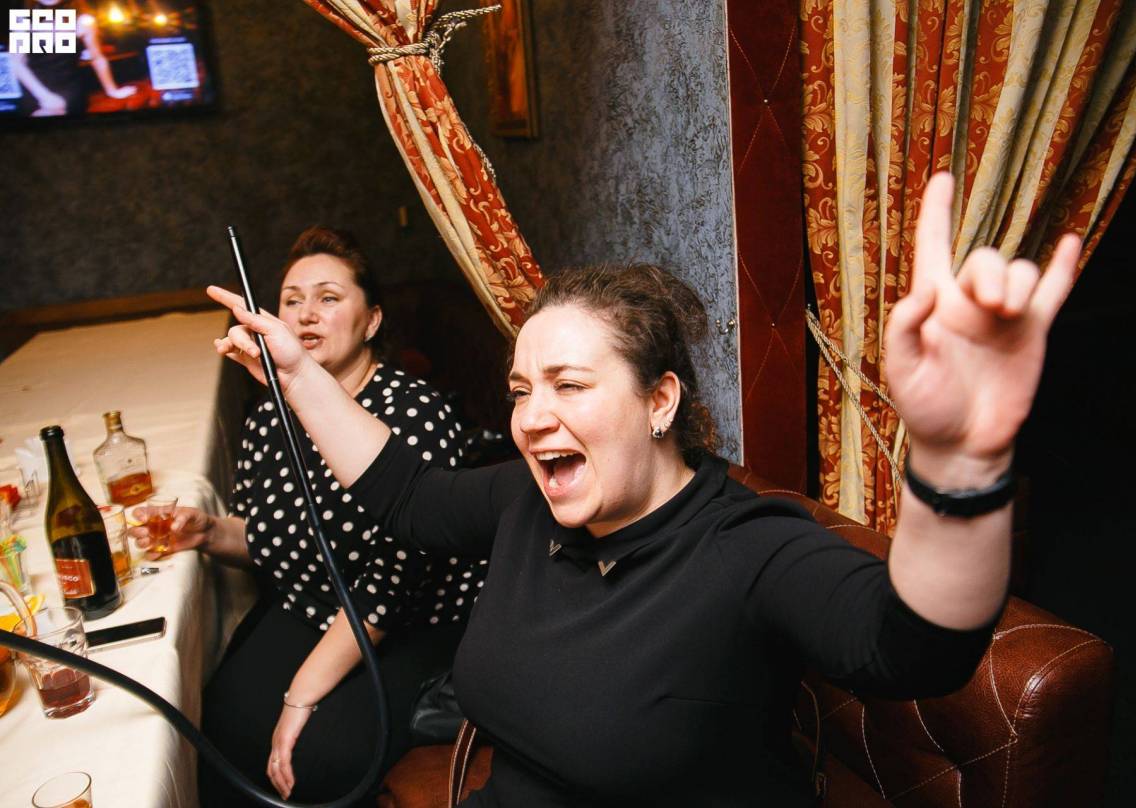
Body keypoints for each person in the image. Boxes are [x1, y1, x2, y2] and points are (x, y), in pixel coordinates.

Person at [207, 173, 1079, 806]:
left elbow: (916, 649)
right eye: (521, 390)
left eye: (569, 385)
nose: (532, 416)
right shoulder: (524, 502)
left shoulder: (748, 548)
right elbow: (405, 495)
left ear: (660, 400)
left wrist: (957, 461)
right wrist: (297, 374)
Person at [135, 226, 486, 805]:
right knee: (214, 728)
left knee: (316, 760)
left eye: (328, 297)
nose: (306, 314)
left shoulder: (415, 413)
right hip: (313, 606)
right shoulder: (269, 414)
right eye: (292, 301)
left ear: (371, 321)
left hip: (416, 623)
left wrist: (300, 694)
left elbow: (389, 588)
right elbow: (267, 537)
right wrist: (209, 532)